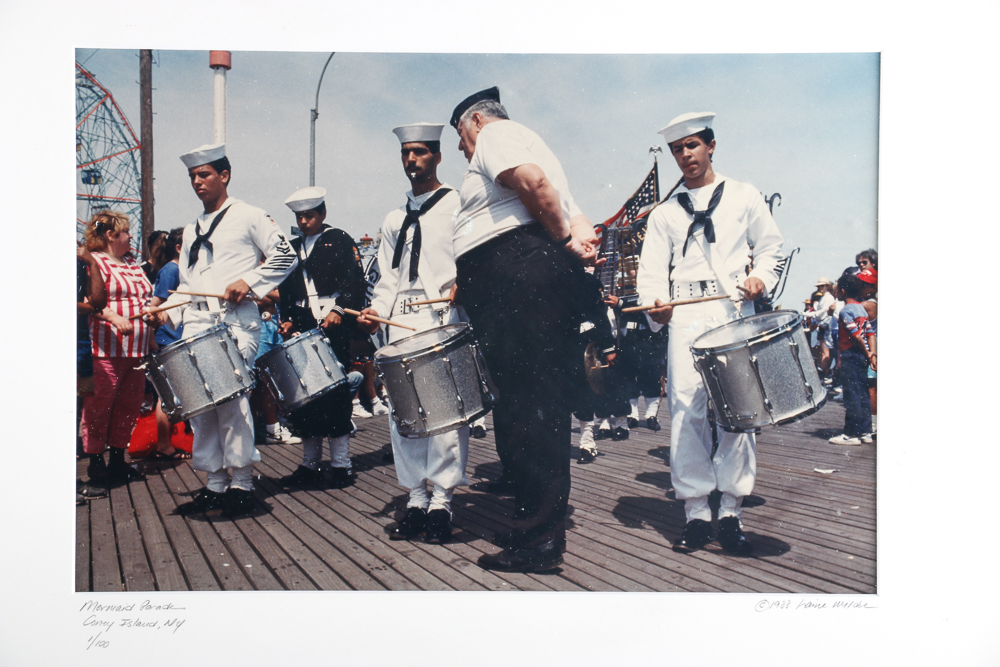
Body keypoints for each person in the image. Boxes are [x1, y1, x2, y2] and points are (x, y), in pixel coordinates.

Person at [449, 87, 599, 572]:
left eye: (460, 137)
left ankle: (537, 539)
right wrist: (569, 242)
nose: (461, 149)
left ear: (474, 121)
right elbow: (580, 220)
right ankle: (532, 526)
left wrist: (559, 243)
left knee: (532, 406)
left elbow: (534, 186)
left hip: (516, 271)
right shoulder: (533, 143)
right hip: (518, 273)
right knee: (527, 405)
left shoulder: (497, 133)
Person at [637, 111, 784, 555]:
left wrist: (761, 277)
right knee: (685, 409)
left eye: (692, 146)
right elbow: (650, 273)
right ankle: (697, 511)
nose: (685, 156)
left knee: (739, 412)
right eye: (677, 149)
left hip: (732, 310)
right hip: (685, 315)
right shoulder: (663, 214)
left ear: (711, 146)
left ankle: (733, 510)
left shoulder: (744, 195)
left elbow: (772, 246)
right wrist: (655, 307)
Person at [152, 143, 298, 518]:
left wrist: (249, 281)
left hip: (235, 320)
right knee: (202, 407)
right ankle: (216, 483)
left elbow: (285, 255)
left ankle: (243, 483)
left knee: (230, 402)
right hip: (197, 322)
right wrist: (162, 311)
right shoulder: (190, 228)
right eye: (192, 177)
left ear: (224, 176)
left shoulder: (250, 215)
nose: (197, 182)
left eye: (204, 175)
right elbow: (186, 284)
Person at [357, 122, 470, 544]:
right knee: (405, 413)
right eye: (406, 153)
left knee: (442, 413)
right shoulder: (394, 217)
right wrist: (376, 311)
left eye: (421, 152)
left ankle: (441, 499)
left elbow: (470, 258)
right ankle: (416, 497)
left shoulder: (458, 205)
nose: (411, 160)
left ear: (438, 156)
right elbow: (388, 276)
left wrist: (466, 281)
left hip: (440, 314)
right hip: (400, 321)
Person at [276, 186, 366, 490]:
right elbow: (286, 291)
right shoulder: (291, 247)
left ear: (322, 214)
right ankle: (310, 464)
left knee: (337, 396)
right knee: (305, 399)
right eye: (299, 217)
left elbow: (356, 280)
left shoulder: (338, 240)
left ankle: (341, 465)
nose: (303, 222)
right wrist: (286, 319)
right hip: (303, 328)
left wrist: (340, 309)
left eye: (309, 216)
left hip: (333, 325)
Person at [80, 210, 154, 486]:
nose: (131, 235)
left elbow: (144, 297)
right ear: (111, 235)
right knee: (98, 407)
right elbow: (90, 300)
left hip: (136, 349)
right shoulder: (93, 261)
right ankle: (96, 462)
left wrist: (153, 313)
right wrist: (112, 317)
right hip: (105, 349)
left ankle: (118, 461)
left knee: (128, 406)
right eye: (126, 231)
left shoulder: (132, 262)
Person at [147, 227, 191, 460]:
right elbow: (158, 303)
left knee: (174, 394)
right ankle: (164, 444)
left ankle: (172, 441)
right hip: (167, 339)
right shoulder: (172, 270)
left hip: (175, 338)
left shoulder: (178, 270)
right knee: (166, 395)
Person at [828, 268, 877, 445]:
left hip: (851, 354)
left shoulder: (846, 311)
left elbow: (856, 336)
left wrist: (865, 351)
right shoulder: (862, 310)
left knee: (852, 394)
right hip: (863, 356)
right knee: (863, 393)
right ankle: (865, 431)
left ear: (842, 291)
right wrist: (872, 355)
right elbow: (869, 333)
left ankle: (851, 434)